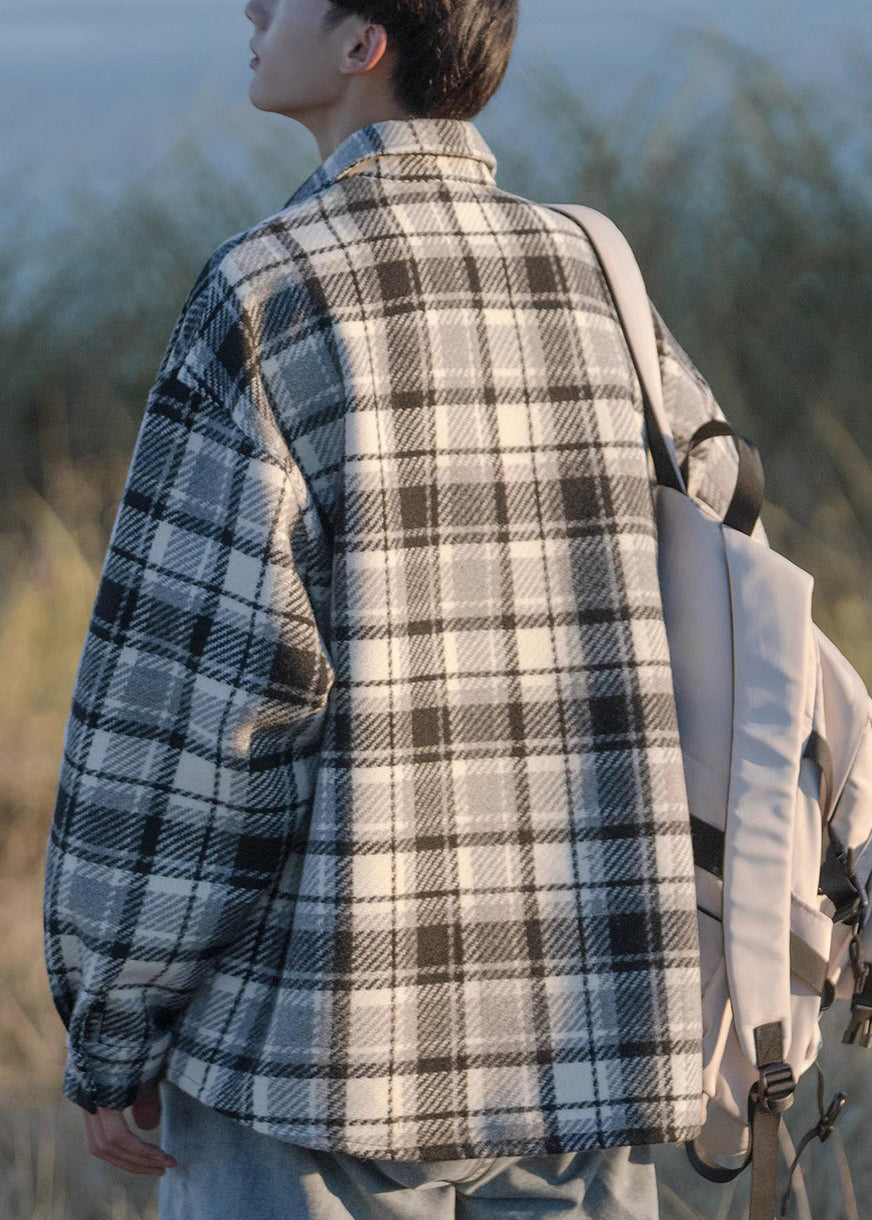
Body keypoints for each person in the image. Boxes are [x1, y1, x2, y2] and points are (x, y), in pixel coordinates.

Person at [42, 1, 752, 1216]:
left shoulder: (267, 292)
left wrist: (113, 1017)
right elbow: (721, 540)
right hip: (584, 1030)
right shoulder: (597, 280)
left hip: (320, 1060)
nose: (250, 9)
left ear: (362, 45)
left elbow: (193, 720)